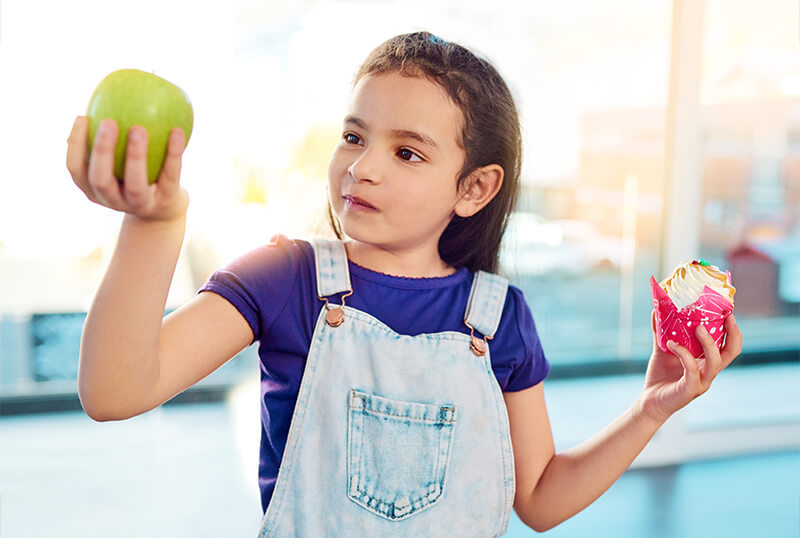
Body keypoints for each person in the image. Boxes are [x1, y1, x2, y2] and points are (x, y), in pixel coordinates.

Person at [66, 31, 743, 536]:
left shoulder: (500, 318)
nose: (363, 168)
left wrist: (653, 406)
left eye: (406, 151)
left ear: (474, 188)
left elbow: (539, 499)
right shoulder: (284, 277)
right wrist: (154, 224)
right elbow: (115, 390)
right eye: (354, 136)